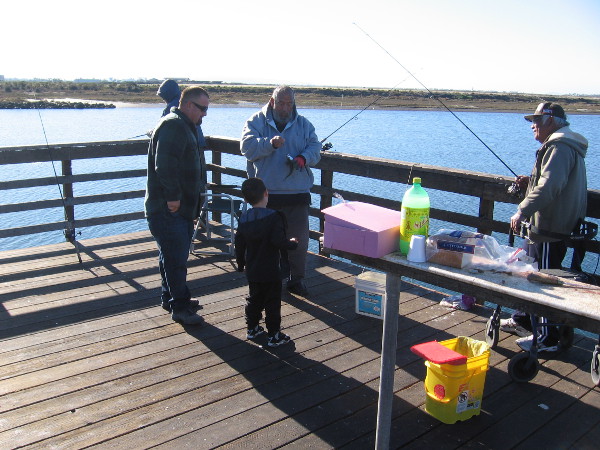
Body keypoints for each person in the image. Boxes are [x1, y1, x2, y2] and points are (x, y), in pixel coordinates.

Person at [501, 102, 588, 352]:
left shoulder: (559, 146)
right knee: (529, 271)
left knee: (543, 279)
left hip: (549, 228)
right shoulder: (562, 143)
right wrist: (530, 181)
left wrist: (521, 210)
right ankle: (524, 319)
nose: (533, 126)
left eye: (537, 120)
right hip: (545, 225)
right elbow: (551, 180)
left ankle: (548, 338)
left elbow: (551, 186)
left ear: (551, 120)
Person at [240, 85, 321, 297]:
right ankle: (268, 279)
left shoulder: (304, 124)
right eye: (281, 103)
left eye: (289, 103)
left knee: (299, 240)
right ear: (272, 101)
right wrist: (270, 144)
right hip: (265, 195)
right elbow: (247, 148)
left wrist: (304, 158)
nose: (285, 108)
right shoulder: (256, 121)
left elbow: (315, 148)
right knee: (265, 241)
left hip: (298, 193)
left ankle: (297, 279)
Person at [145, 86, 210, 325]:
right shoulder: (173, 125)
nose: (205, 114)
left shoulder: (184, 125)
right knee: (176, 260)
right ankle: (180, 308)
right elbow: (165, 166)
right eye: (202, 109)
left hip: (177, 209)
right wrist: (173, 197)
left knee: (169, 256)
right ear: (189, 105)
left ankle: (170, 297)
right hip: (167, 209)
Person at [235, 177, 298, 347]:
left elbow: (239, 244)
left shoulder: (244, 218)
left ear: (246, 199)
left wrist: (240, 264)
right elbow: (278, 241)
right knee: (272, 302)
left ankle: (252, 328)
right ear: (266, 193)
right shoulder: (274, 217)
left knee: (254, 299)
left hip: (253, 269)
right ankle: (274, 335)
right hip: (271, 270)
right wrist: (292, 243)